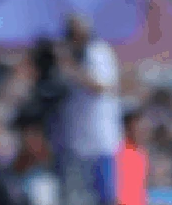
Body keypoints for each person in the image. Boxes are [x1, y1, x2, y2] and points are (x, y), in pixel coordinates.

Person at [63, 15, 122, 205]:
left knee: (105, 197)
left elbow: (101, 86)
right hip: (75, 143)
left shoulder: (98, 52)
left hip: (100, 140)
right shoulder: (71, 54)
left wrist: (72, 69)